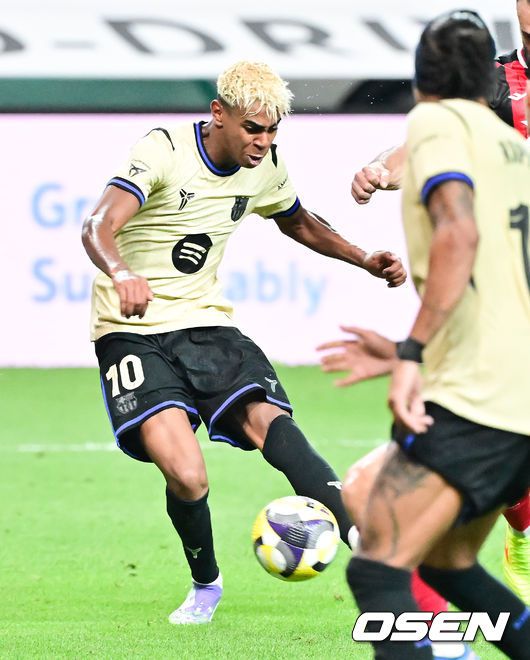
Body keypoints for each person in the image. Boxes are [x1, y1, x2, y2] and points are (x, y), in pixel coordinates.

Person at [81, 60, 407, 625]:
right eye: (254, 128)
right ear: (219, 114)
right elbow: (96, 226)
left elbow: (297, 221)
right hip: (130, 330)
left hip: (206, 321)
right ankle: (205, 584)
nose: (264, 141)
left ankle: (365, 542)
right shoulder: (163, 150)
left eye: (273, 130)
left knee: (271, 423)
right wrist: (121, 272)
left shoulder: (267, 166)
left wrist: (363, 259)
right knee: (187, 475)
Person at [326, 0, 530, 609]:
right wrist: (381, 167)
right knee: (444, 557)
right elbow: (423, 149)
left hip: (490, 367)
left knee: (373, 518)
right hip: (503, 341)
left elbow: (457, 226)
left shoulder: (455, 121)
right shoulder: (501, 119)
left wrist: (410, 352)